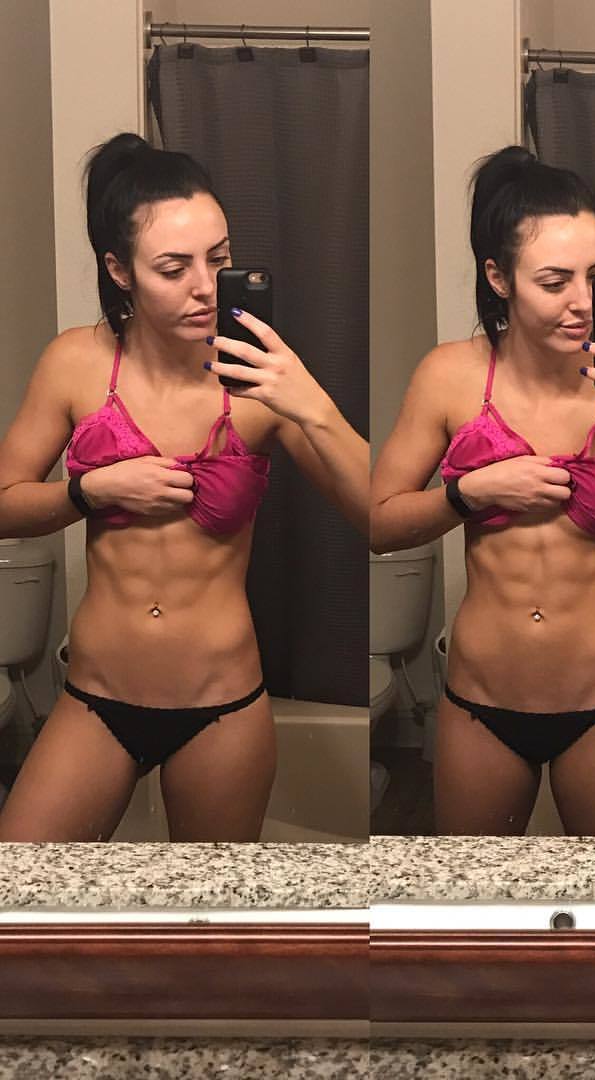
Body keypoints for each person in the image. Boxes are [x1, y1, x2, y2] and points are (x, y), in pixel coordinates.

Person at [0, 133, 368, 841]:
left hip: (220, 706)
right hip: (96, 698)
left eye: (219, 259)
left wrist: (312, 404)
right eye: (174, 267)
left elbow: (375, 513)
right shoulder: (75, 363)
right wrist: (89, 491)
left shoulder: (261, 383)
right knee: (19, 887)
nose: (204, 285)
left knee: (210, 908)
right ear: (119, 270)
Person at [371, 145, 595, 836]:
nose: (583, 302)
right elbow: (378, 522)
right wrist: (467, 493)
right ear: (498, 277)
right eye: (555, 281)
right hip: (480, 703)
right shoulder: (449, 377)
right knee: (474, 899)